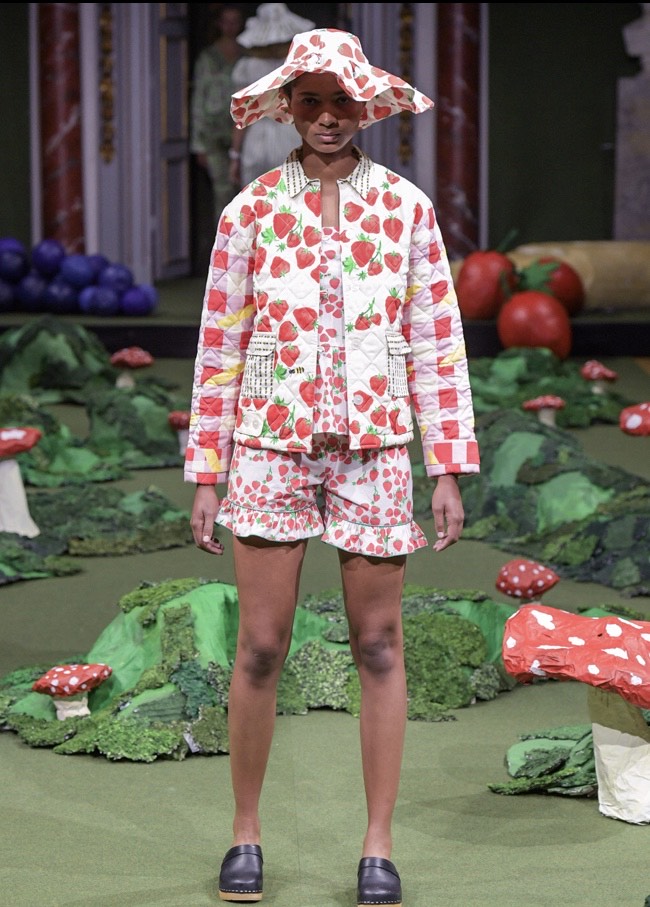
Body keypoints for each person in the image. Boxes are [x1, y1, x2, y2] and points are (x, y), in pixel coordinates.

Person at [185, 27, 480, 907]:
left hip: (376, 448)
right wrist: (207, 468)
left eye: (341, 100)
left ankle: (377, 846)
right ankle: (245, 832)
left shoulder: (405, 209)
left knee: (379, 645)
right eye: (310, 100)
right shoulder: (248, 213)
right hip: (268, 447)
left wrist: (446, 465)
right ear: (285, 107)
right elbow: (220, 345)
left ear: (366, 107)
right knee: (261, 645)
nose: (326, 116)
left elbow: (435, 339)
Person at [227, 3, 315, 187]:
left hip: (256, 140)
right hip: (292, 137)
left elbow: (242, 116)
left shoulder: (247, 66)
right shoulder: (301, 66)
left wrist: (234, 155)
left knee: (257, 198)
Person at [190, 4, 245, 224]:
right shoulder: (208, 57)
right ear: (219, 24)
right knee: (222, 193)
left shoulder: (247, 54)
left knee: (247, 190)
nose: (230, 26)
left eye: (234, 21)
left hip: (243, 130)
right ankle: (224, 241)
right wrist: (198, 144)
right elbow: (199, 99)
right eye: (226, 21)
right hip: (214, 132)